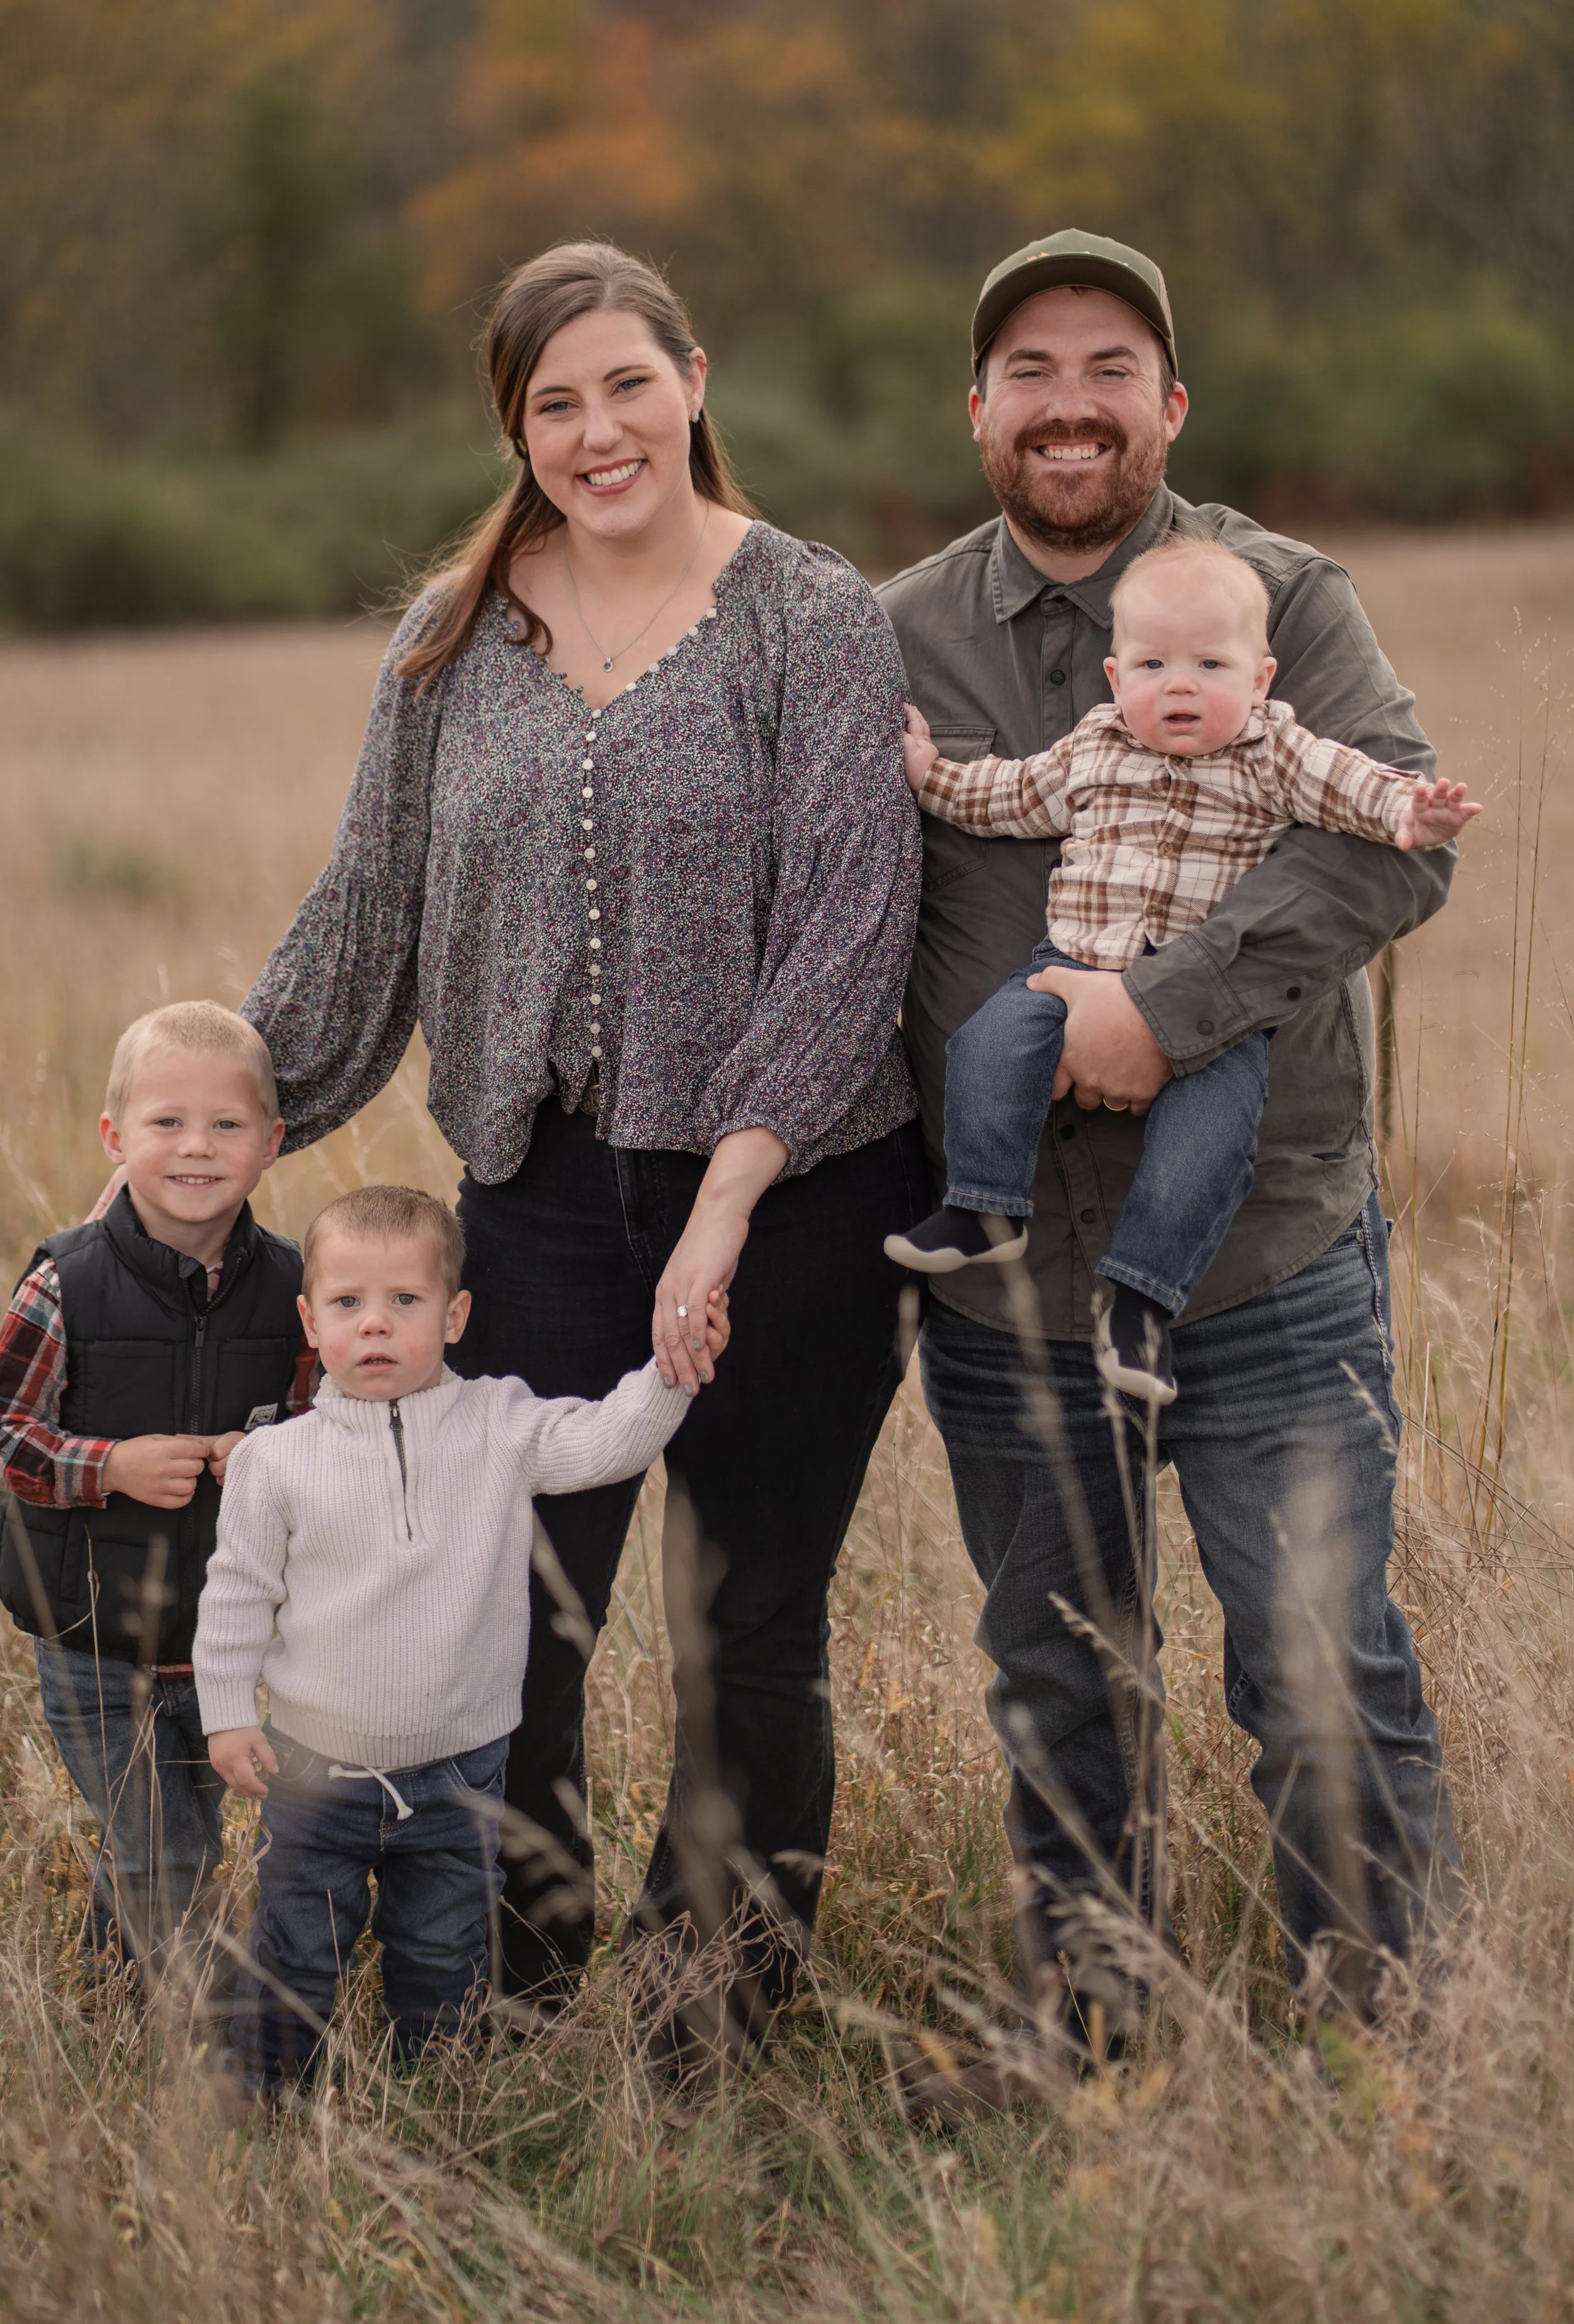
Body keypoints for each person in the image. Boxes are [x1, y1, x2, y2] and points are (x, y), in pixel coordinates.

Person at [240, 241, 926, 2053]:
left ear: (693, 380)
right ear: (516, 430)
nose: (598, 428)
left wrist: (723, 1203)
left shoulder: (812, 616)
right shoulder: (454, 640)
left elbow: (851, 930)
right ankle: (501, 2009)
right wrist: (211, 1134)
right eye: (555, 402)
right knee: (513, 1635)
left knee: (743, 1631)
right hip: (534, 1206)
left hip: (793, 1206)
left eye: (628, 383)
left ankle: (712, 2020)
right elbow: (361, 919)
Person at [878, 228, 1466, 2044]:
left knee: (1312, 1662)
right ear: (978, 410)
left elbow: (1393, 836)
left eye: (1107, 367)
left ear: (1167, 403)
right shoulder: (902, 633)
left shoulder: (1287, 595)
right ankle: (1101, 2041)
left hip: (1262, 1248)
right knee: (1060, 1677)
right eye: (1030, 372)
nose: (1070, 404)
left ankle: (1384, 2050)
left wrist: (1164, 1010)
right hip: (1011, 1283)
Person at [886, 535, 1481, 1403]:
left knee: (1206, 1147)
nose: (1180, 684)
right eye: (1154, 663)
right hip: (1069, 964)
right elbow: (1004, 796)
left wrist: (1410, 810)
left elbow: (1350, 782)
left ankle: (1139, 1299)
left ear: (1260, 678)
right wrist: (929, 772)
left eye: (1211, 663)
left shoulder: (1273, 753)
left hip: (1212, 1011)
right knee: (986, 1047)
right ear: (1116, 675)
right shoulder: (1094, 745)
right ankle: (986, 1206)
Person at [196, 1185, 725, 2089]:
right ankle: (267, 2103)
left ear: (455, 1315)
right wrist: (226, 1716)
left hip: (461, 1769)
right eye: (348, 1303)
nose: (375, 1326)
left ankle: (438, 2100)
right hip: (315, 1765)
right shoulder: (275, 1460)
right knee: (296, 1946)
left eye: (405, 1302)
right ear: (310, 1319)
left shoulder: (498, 1424)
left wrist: (673, 1370)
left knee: (444, 1951)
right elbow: (238, 1594)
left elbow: (604, 1443)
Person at [0, 1001, 305, 1974]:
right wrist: (111, 1464)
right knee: (171, 1852)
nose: (196, 1149)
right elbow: (6, 1432)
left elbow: (317, 1437)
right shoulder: (66, 1282)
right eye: (167, 1122)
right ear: (115, 1137)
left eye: (226, 1125)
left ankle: (106, 1978)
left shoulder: (295, 1291)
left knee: (171, 1836)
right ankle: (183, 2033)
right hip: (90, 1634)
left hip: (212, 1644)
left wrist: (261, 1452)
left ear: (271, 1141)